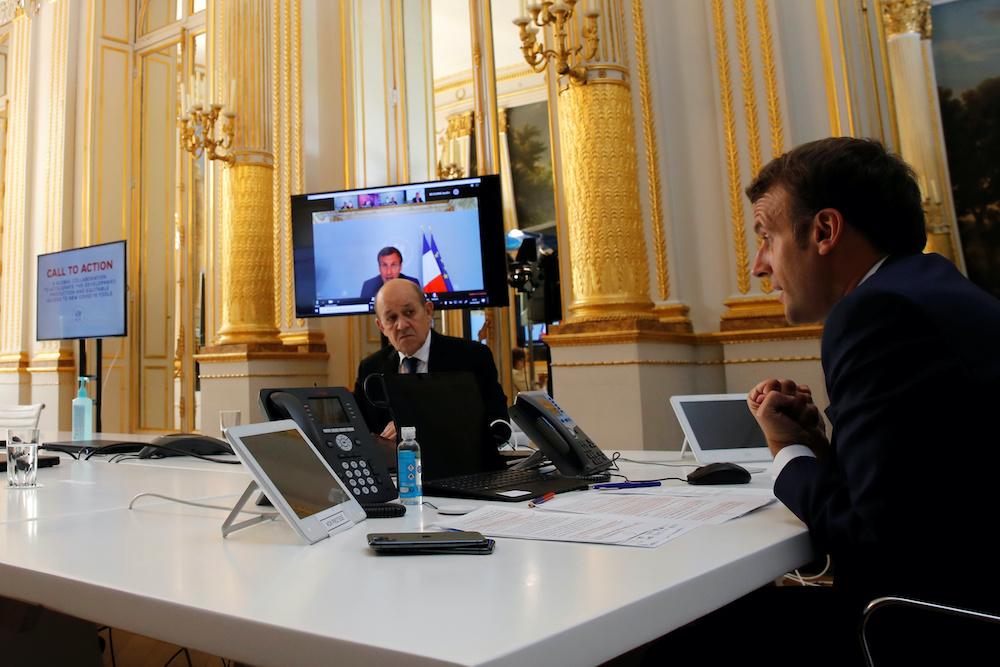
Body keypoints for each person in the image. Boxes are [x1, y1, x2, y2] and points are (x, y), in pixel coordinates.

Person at [736, 136, 1000, 663]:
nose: (759, 266)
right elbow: (920, 494)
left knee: (697, 636)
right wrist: (816, 446)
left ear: (825, 230)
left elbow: (872, 535)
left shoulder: (875, 314)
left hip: (931, 624)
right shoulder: (930, 288)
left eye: (767, 237)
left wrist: (786, 456)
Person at [353, 278, 508, 441]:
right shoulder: (370, 369)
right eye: (391, 318)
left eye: (409, 312)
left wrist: (420, 425)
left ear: (428, 312)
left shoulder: (471, 357)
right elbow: (356, 430)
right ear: (382, 327)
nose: (402, 325)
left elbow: (499, 425)